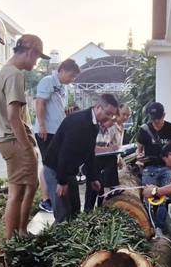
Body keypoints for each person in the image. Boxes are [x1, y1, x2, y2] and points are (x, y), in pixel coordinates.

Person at [0, 33, 48, 239]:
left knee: (24, 189)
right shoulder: (14, 74)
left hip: (7, 139)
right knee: (20, 192)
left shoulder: (4, 72)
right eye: (36, 57)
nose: (36, 62)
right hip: (14, 139)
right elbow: (13, 117)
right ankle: (15, 236)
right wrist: (27, 147)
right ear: (30, 51)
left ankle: (17, 234)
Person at [42, 94, 120, 223]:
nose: (109, 118)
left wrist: (93, 177)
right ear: (99, 107)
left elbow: (89, 152)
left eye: (112, 115)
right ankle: (57, 241)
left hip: (69, 171)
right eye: (108, 114)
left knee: (75, 210)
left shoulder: (94, 124)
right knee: (63, 214)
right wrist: (61, 182)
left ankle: (71, 239)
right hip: (56, 169)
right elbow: (65, 152)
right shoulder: (79, 122)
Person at [34, 59, 81, 213]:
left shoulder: (62, 87)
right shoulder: (48, 81)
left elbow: (57, 108)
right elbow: (40, 103)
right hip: (46, 131)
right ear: (62, 70)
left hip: (57, 131)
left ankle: (54, 200)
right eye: (71, 75)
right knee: (49, 166)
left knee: (56, 164)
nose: (72, 79)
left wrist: (68, 114)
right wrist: (42, 126)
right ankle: (47, 200)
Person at [85, 104, 130, 211]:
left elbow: (112, 146)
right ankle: (88, 211)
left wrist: (117, 155)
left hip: (104, 160)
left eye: (128, 115)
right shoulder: (98, 129)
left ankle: (100, 207)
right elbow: (94, 149)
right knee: (92, 189)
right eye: (123, 114)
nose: (125, 118)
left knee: (100, 189)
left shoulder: (111, 129)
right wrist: (110, 149)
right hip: (94, 161)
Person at [136, 102, 171, 188]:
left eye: (159, 118)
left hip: (167, 168)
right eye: (153, 118)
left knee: (165, 197)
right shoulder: (143, 130)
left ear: (164, 115)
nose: (156, 121)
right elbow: (139, 150)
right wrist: (139, 156)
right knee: (150, 198)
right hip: (149, 169)